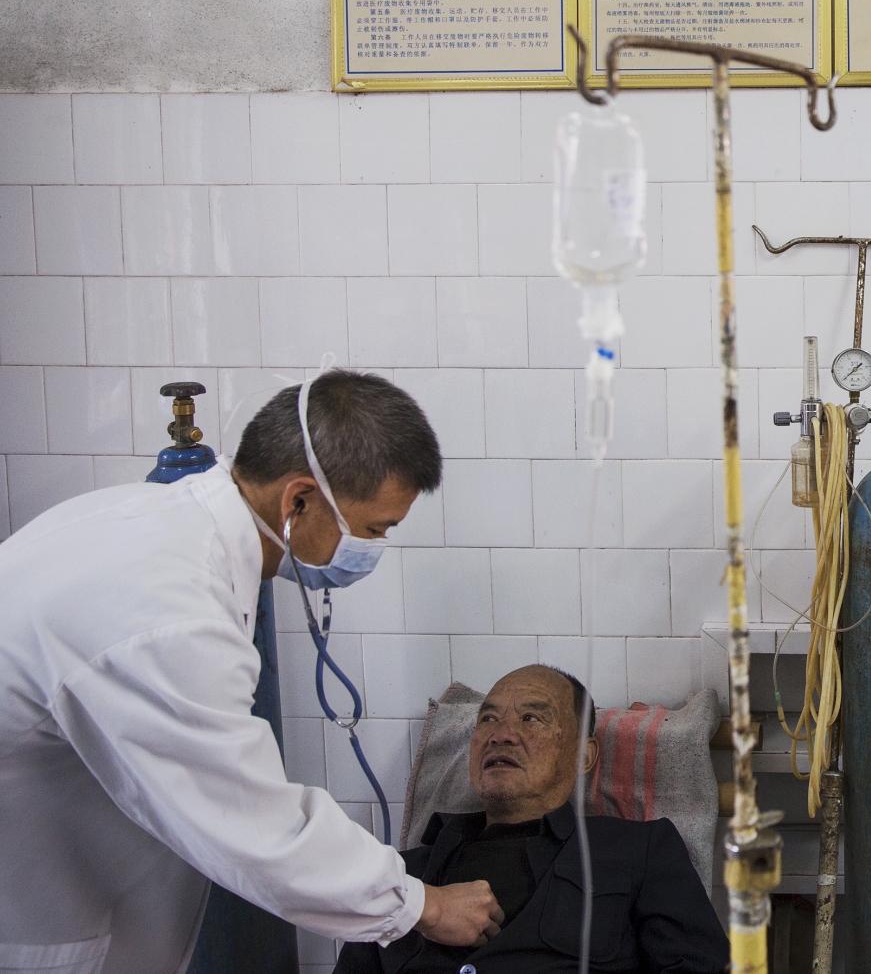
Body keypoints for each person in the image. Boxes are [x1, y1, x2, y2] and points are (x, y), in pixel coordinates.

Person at [0, 370, 502, 974]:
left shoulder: (145, 524)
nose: (371, 550)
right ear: (298, 501)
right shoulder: (169, 614)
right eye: (372, 530)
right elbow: (258, 827)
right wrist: (421, 904)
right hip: (36, 916)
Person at [334, 664, 730, 974]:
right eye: (487, 719)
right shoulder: (402, 876)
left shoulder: (639, 852)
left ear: (584, 756)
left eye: (531, 719)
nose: (500, 734)